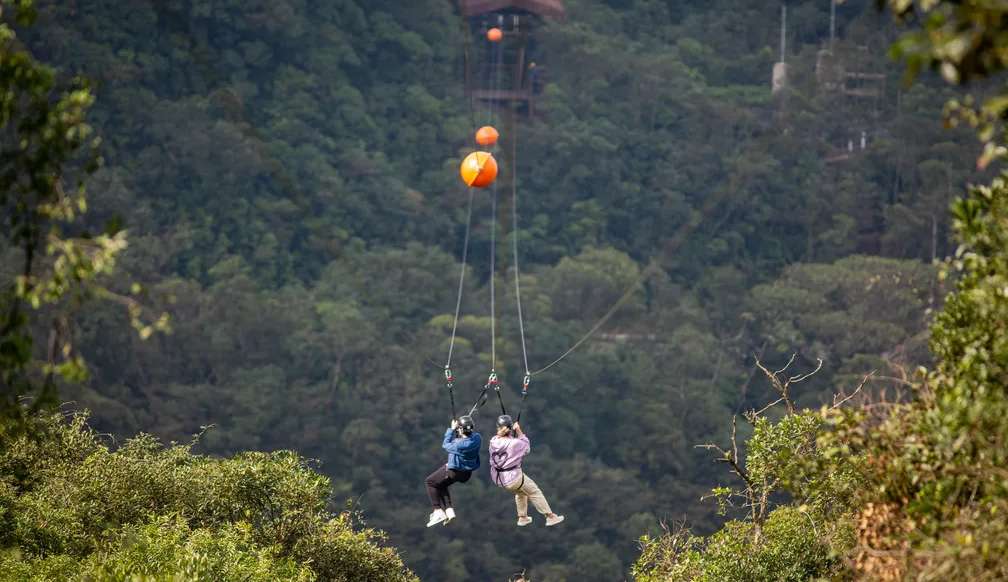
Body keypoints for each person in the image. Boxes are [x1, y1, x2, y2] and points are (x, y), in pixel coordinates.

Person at [488, 415, 564, 527]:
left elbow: (505, 441)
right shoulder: (515, 443)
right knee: (534, 491)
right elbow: (526, 447)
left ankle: (522, 517)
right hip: (513, 478)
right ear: (510, 429)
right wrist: (519, 431)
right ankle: (550, 516)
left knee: (521, 492)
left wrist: (511, 433)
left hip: (498, 478)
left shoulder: (493, 441)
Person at [424, 415, 481, 527]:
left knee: (430, 482)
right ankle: (449, 510)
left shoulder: (458, 444)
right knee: (441, 484)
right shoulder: (477, 438)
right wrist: (460, 428)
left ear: (461, 429)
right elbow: (465, 437)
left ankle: (437, 511)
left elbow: (446, 444)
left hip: (454, 471)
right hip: (466, 474)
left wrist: (451, 429)